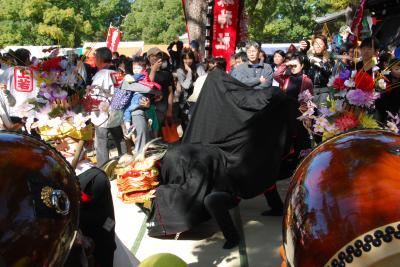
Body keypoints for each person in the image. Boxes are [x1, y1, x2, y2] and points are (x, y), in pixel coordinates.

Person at [147, 65, 294, 249]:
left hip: (231, 167)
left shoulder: (218, 106)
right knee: (260, 163)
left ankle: (234, 236)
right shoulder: (232, 103)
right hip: (239, 158)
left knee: (217, 197)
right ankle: (275, 206)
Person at [89, 47, 127, 167]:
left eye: (95, 57)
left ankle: (104, 168)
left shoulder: (101, 75)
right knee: (119, 138)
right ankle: (125, 162)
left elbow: (94, 95)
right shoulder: (117, 73)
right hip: (117, 110)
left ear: (100, 58)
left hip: (103, 113)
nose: (94, 59)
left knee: (101, 141)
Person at [176, 49, 206, 129]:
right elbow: (186, 86)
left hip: (199, 98)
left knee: (198, 120)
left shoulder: (199, 67)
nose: (188, 61)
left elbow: (204, 80)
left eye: (190, 58)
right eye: (185, 59)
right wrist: (189, 71)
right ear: (182, 59)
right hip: (186, 100)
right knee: (187, 121)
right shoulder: (180, 71)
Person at [147, 47, 174, 136]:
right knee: (151, 130)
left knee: (158, 130)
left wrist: (170, 109)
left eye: (158, 55)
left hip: (162, 107)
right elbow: (149, 85)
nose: (155, 57)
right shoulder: (144, 73)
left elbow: (170, 92)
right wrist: (153, 69)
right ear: (148, 58)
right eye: (153, 55)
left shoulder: (166, 73)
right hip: (148, 107)